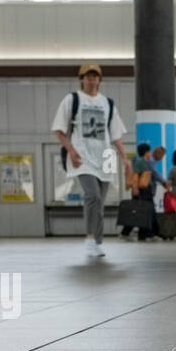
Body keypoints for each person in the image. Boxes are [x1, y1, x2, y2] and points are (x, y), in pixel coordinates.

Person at [51, 61, 129, 258]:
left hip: (105, 157)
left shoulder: (108, 103)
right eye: (88, 76)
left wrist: (125, 160)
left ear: (100, 80)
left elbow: (115, 135)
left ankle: (97, 242)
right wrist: (71, 150)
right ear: (82, 79)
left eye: (95, 76)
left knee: (100, 203)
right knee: (92, 195)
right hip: (82, 156)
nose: (92, 79)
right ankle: (89, 237)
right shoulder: (72, 99)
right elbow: (59, 130)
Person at [120, 143, 156, 241]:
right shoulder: (141, 162)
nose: (151, 153)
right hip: (141, 191)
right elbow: (135, 175)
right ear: (146, 152)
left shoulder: (144, 161)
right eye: (149, 151)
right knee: (141, 212)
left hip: (145, 190)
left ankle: (145, 234)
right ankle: (139, 234)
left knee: (144, 212)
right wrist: (135, 188)